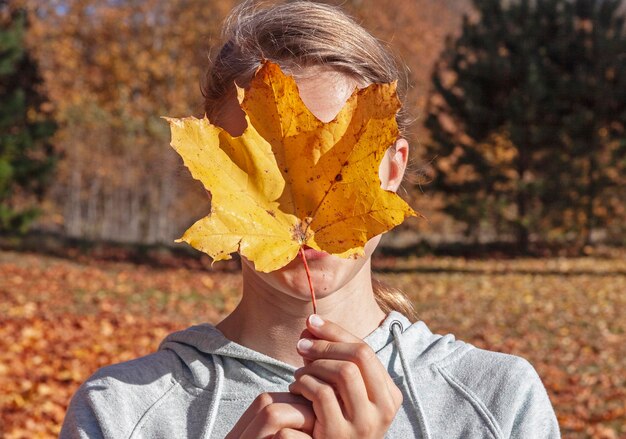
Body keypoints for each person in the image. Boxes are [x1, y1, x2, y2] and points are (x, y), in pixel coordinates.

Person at [60, 1, 560, 438]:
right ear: (215, 181)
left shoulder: (497, 400)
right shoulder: (121, 411)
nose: (295, 204)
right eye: (262, 175)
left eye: (336, 167)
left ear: (393, 168)